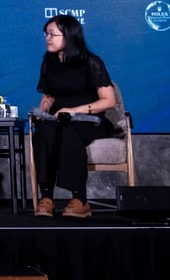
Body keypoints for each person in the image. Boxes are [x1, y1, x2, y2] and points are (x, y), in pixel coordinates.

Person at [31, 14, 117, 219]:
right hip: (59, 119)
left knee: (70, 131)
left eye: (52, 34)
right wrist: (42, 112)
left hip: (89, 120)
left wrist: (74, 110)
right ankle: (46, 197)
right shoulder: (48, 62)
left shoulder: (91, 62)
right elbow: (49, 95)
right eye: (46, 34)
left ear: (69, 37)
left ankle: (80, 199)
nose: (47, 38)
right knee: (44, 130)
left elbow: (108, 100)